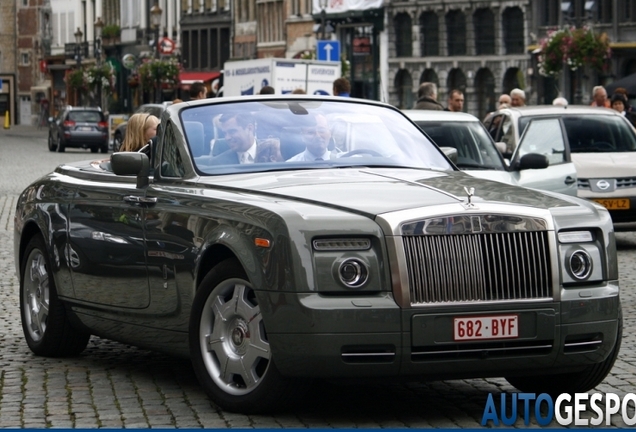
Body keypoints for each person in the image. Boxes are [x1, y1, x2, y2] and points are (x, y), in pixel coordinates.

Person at [211, 112, 282, 165]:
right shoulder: (218, 163)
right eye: (225, 133)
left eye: (232, 131)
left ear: (249, 128)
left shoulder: (273, 152)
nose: (227, 137)